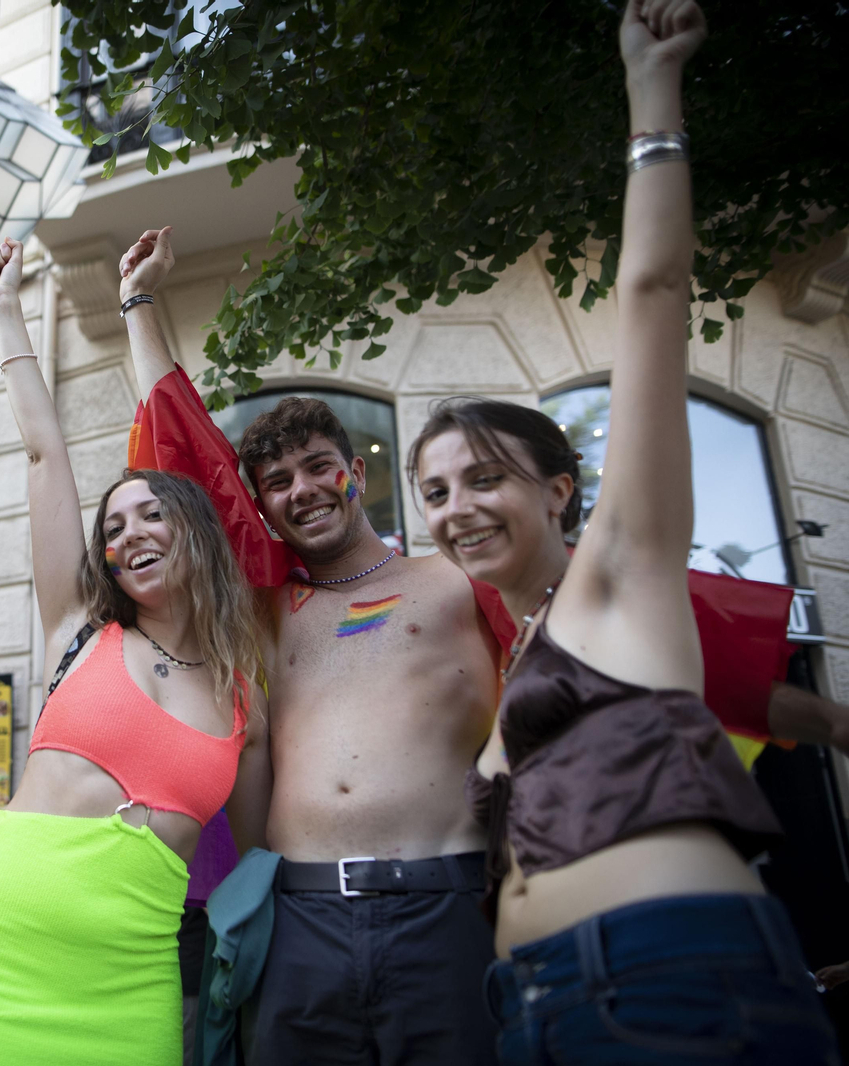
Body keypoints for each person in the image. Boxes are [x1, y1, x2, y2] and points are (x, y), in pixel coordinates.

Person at [408, 3, 838, 1061]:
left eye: (485, 478)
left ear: (561, 490)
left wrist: (653, 87)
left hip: (667, 983)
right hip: (533, 1005)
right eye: (433, 491)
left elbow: (650, 292)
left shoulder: (621, 573)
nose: (456, 508)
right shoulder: (516, 643)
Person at [118, 265, 507, 1058]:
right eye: (277, 482)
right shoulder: (268, 610)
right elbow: (187, 460)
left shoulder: (456, 581)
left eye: (319, 467)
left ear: (355, 474)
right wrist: (138, 304)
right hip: (301, 921)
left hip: (445, 906)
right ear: (261, 508)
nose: (303, 490)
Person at [0, 237, 268, 1066]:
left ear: (196, 534)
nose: (129, 533)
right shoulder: (78, 630)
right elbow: (45, 454)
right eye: (113, 526)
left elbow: (256, 860)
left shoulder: (248, 700)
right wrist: (5, 309)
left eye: (152, 515)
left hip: (132, 979)